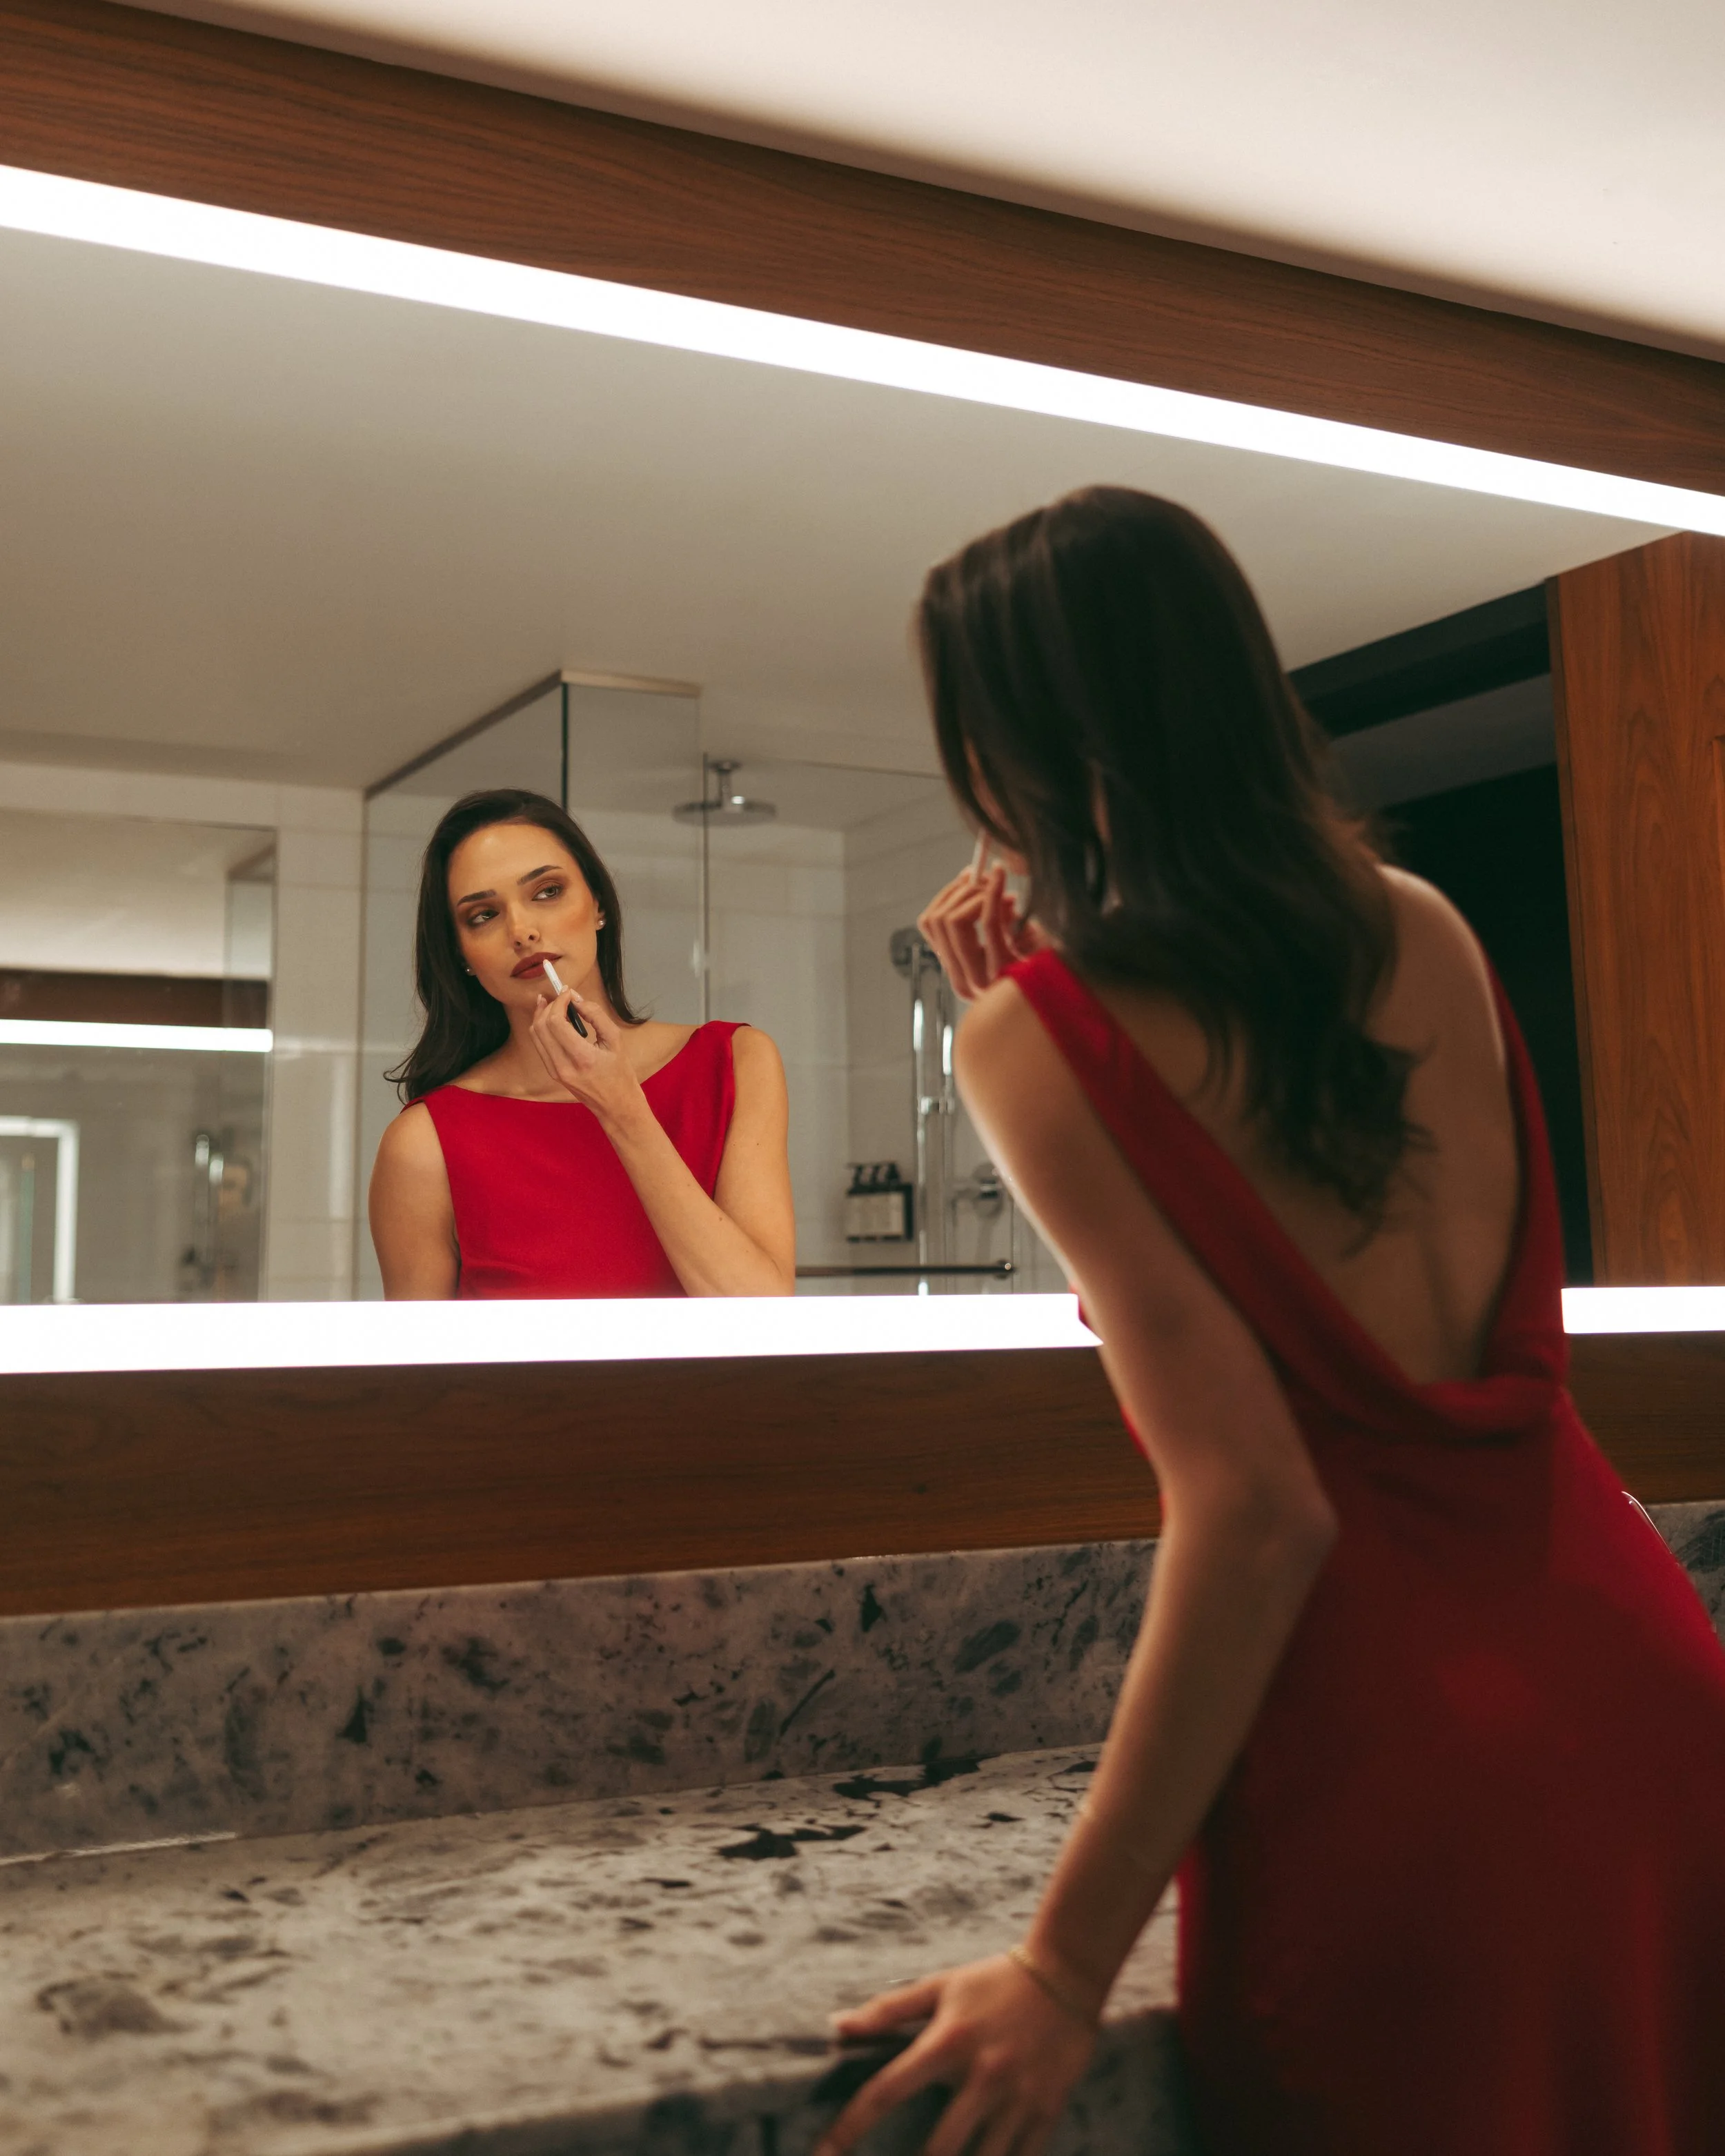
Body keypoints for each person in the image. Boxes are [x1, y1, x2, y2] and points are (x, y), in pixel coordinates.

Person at [819, 488, 1725, 2156]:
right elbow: (1346, 1251)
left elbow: (1257, 1505)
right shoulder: (1424, 925)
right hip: (1643, 1687)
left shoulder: (1034, 1042)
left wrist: (1061, 1964)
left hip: (1397, 1759)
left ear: (1006, 748)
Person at [368, 787, 794, 1298]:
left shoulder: (735, 1062)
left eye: (547, 891)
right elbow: (418, 1353)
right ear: (462, 955)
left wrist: (623, 1111)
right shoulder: (424, 1144)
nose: (522, 931)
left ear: (598, 904)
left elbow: (760, 1312)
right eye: (483, 915)